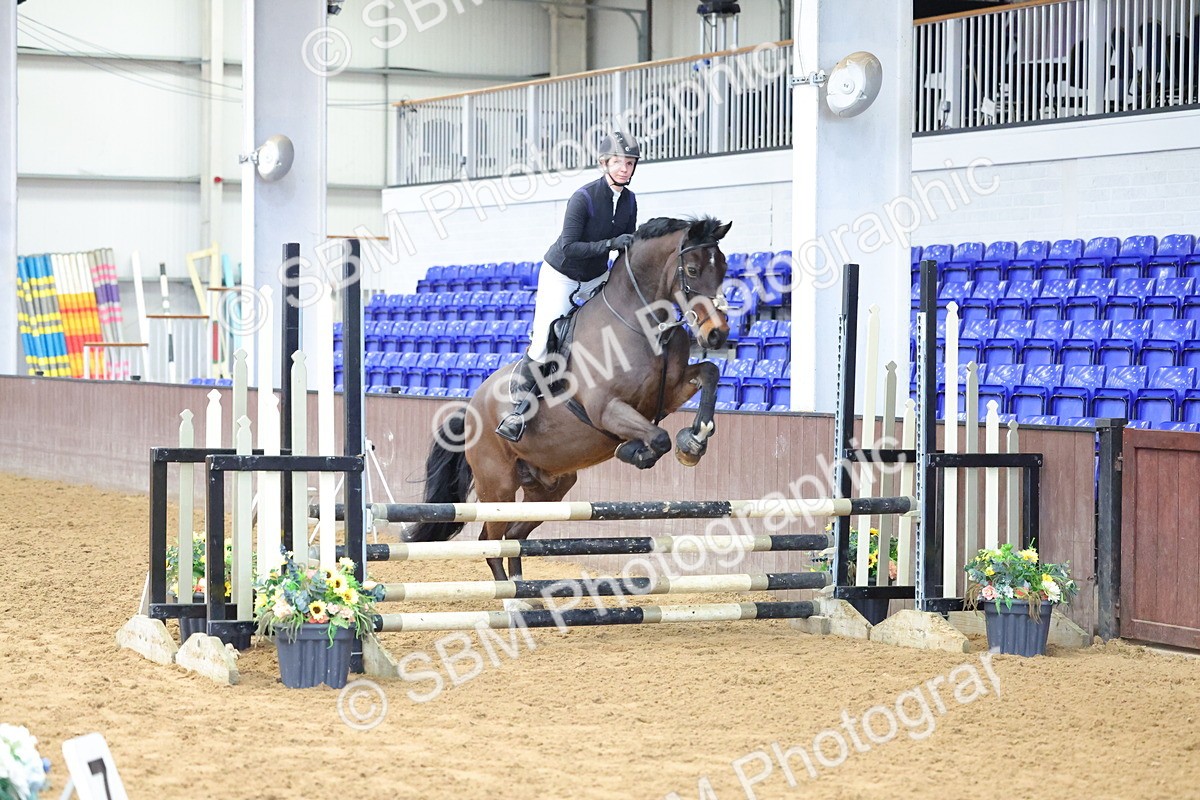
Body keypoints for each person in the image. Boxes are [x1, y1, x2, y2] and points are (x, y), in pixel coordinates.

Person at [494, 131, 641, 442]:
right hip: (562, 274)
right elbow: (570, 245)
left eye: (629, 163)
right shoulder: (583, 198)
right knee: (545, 340)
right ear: (604, 163)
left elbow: (626, 245)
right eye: (618, 162)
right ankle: (518, 411)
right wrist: (610, 244)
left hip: (596, 277)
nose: (624, 169)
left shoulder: (629, 201)